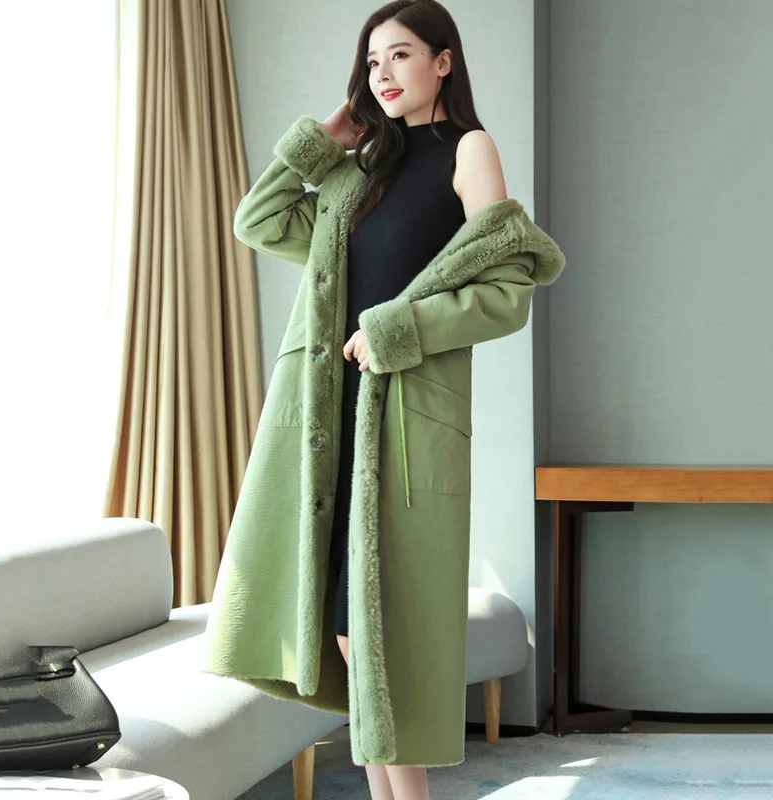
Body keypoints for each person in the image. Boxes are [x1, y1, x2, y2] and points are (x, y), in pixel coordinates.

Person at [203, 2, 566, 799]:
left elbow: (507, 289)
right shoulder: (358, 168)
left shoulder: (468, 150)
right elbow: (258, 220)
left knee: (378, 641)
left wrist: (397, 330)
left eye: (400, 55)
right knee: (344, 637)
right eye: (372, 62)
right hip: (328, 424)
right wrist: (321, 142)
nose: (383, 74)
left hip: (403, 423)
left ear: (443, 61)